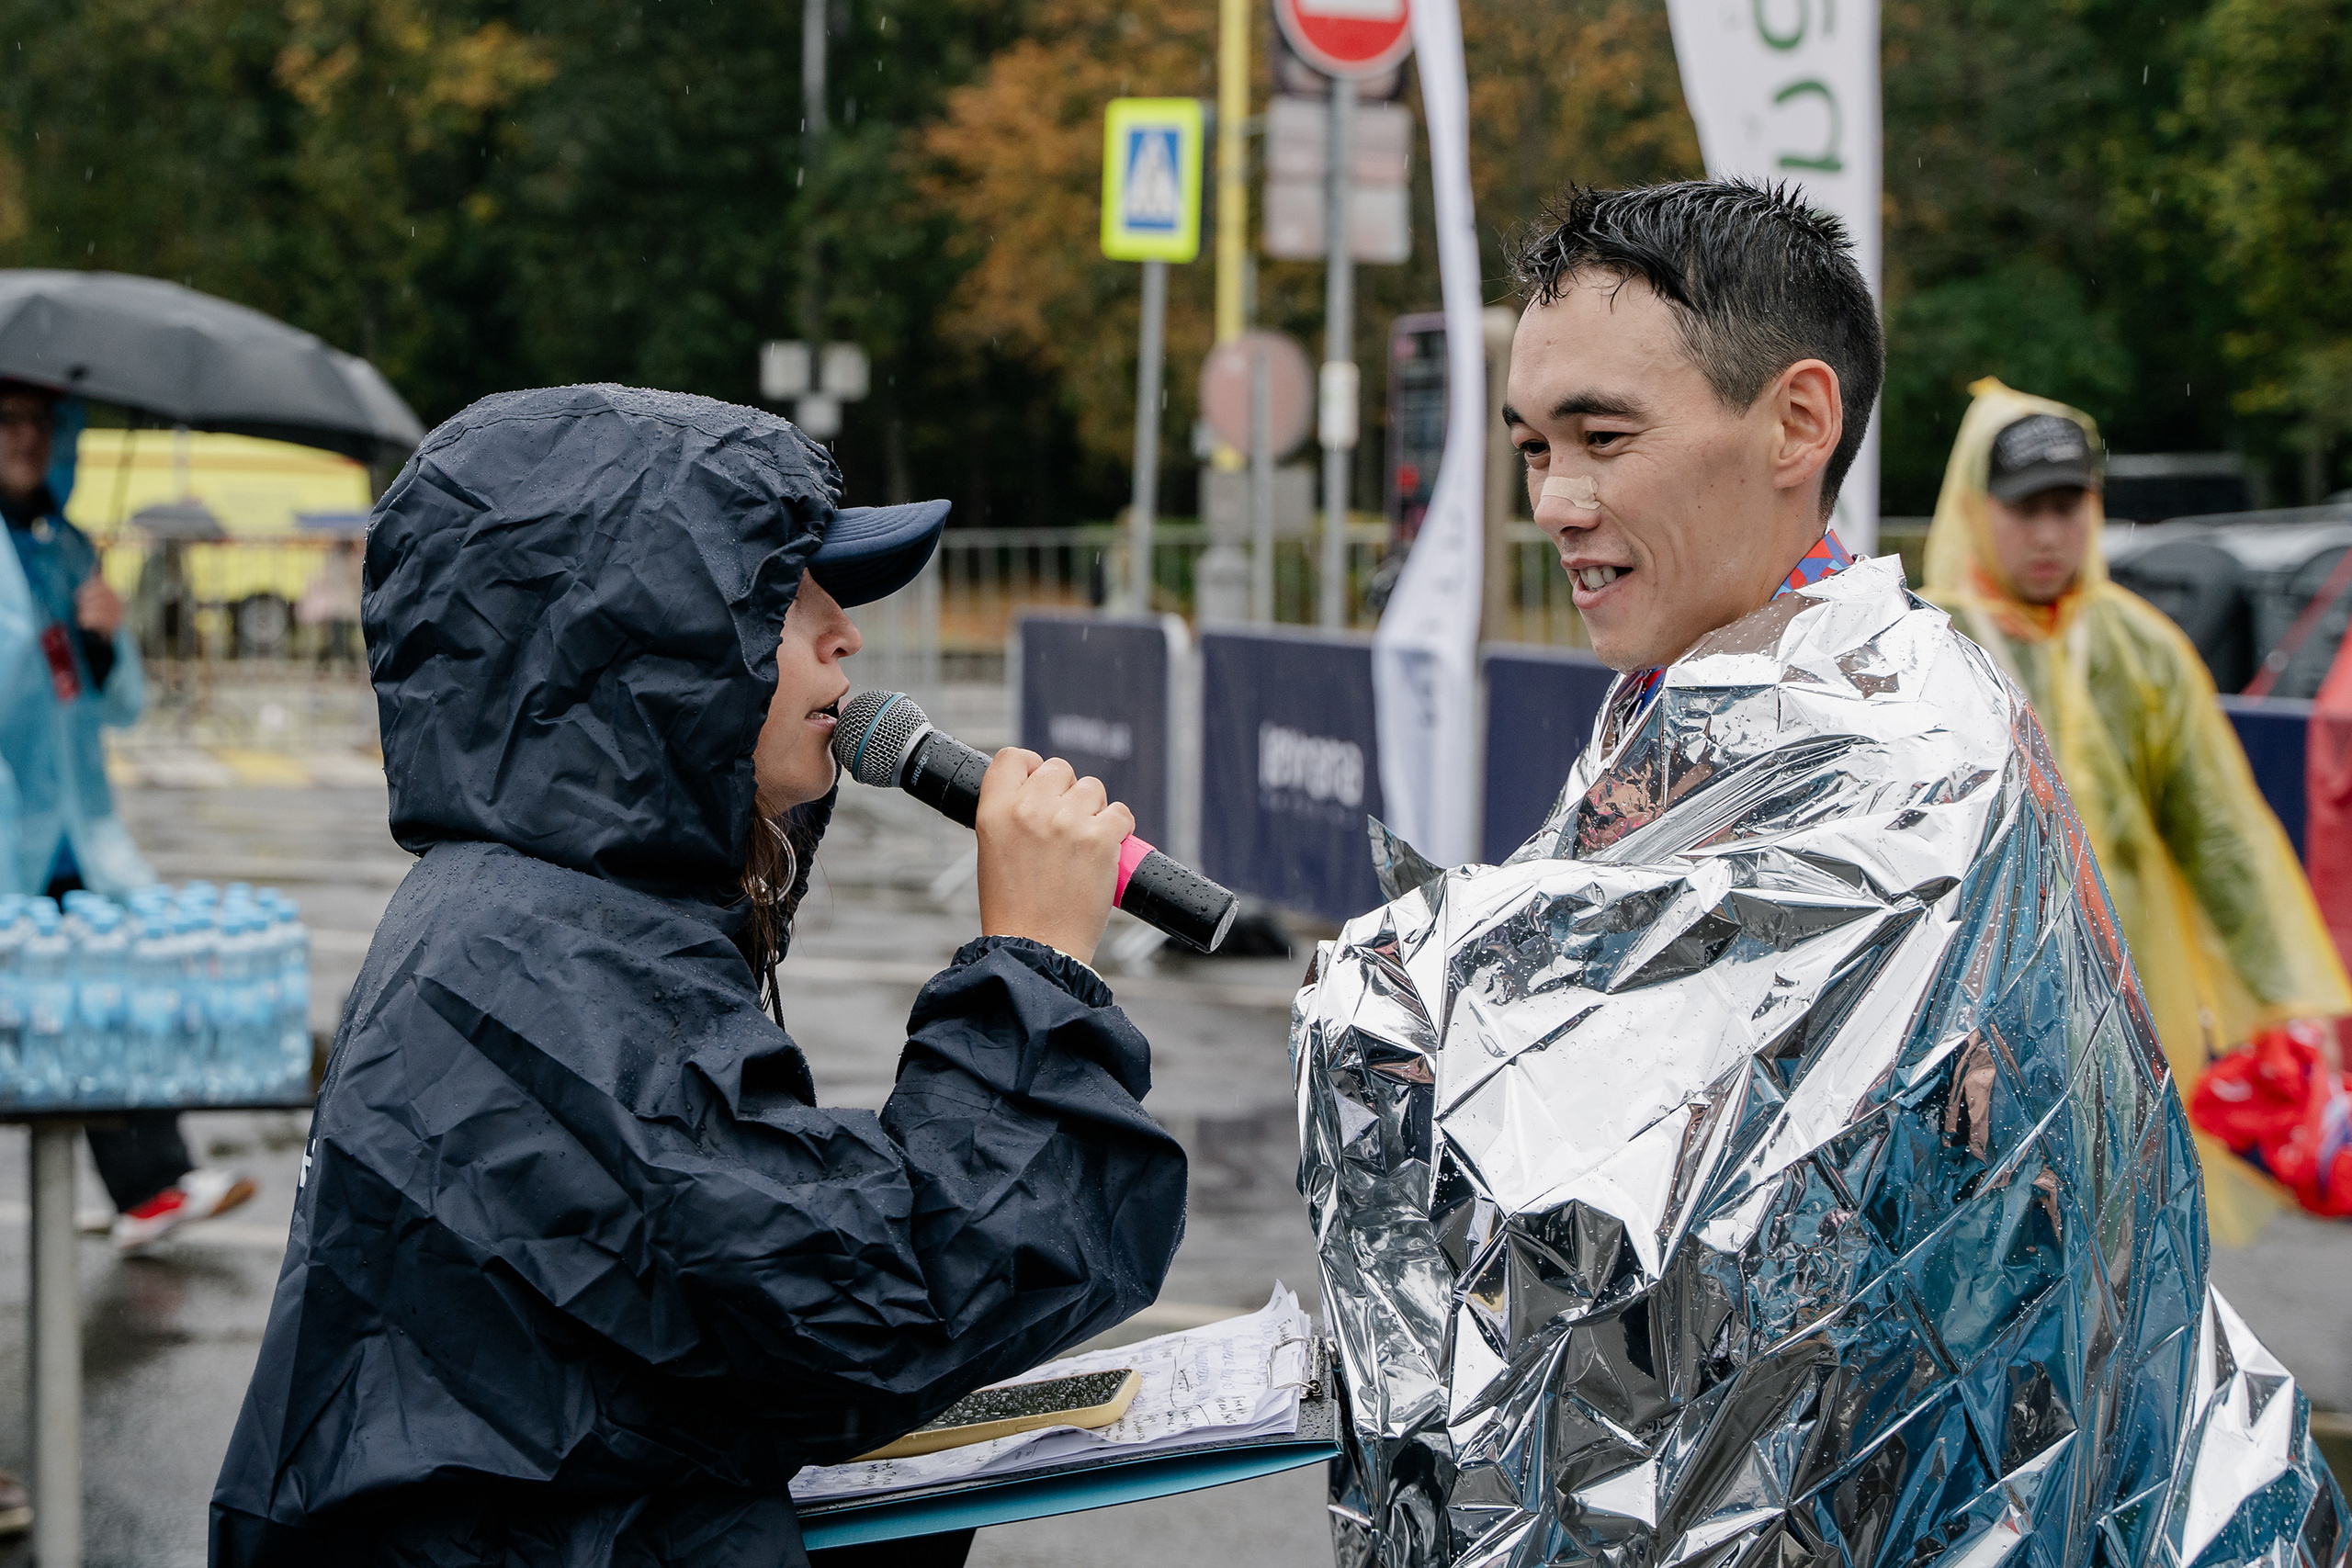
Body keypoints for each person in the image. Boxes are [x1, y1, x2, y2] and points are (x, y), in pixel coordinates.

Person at [1294, 181, 2340, 1563]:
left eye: (1603, 437)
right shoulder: (1710, 702)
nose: (1554, 499)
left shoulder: (1890, 743)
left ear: (1798, 420)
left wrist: (1390, 995)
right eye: (1535, 446)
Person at [209, 385, 1188, 1568]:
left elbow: (731, 1352)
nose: (847, 634)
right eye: (793, 593)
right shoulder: (535, 968)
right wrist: (1030, 969)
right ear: (637, 644)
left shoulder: (572, 920)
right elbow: (890, 1304)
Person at [1920, 378, 2352, 1240]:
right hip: (1964, 1032)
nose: (2050, 534)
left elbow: (2222, 837)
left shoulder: (2140, 649)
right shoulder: (1931, 648)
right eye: (2025, 507)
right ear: (1976, 508)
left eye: (2069, 505)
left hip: (2127, 1020)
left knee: (2122, 1252)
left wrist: (2293, 1002)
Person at [0, 383, 254, 1252]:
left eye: (38, 421)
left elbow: (120, 706)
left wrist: (103, 636)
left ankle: (149, 1185)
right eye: (5, 419)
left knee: (110, 999)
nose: (24, 438)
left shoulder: (64, 547)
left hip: (69, 831)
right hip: (12, 829)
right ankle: (146, 1184)